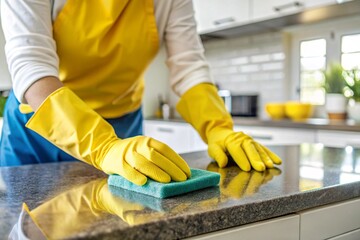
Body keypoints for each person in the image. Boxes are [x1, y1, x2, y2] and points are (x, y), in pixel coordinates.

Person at [0, 0, 281, 185]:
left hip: (121, 125)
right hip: (39, 126)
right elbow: (32, 66)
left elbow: (189, 67)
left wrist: (218, 128)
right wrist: (102, 145)